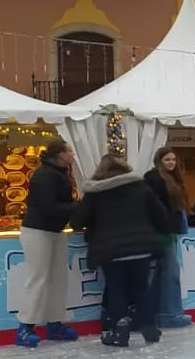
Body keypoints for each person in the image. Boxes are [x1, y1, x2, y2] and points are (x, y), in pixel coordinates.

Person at [71, 154, 173, 347]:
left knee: (116, 288)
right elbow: (161, 215)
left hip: (110, 251)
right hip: (140, 248)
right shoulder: (141, 189)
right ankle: (149, 327)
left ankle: (120, 329)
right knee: (142, 288)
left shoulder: (95, 193)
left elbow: (77, 221)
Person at [15, 139, 79, 347]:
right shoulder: (44, 175)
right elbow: (47, 206)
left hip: (55, 231)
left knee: (58, 278)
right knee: (38, 278)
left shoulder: (60, 174)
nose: (73, 154)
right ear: (60, 154)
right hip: (37, 231)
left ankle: (55, 323)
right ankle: (25, 327)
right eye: (69, 151)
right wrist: (76, 207)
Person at [144, 146, 193, 329]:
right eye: (167, 160)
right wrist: (164, 226)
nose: (171, 163)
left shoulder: (172, 179)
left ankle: (161, 312)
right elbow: (155, 207)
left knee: (162, 272)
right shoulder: (154, 179)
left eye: (173, 159)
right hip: (161, 232)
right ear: (159, 161)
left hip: (167, 230)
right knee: (170, 272)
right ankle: (170, 313)